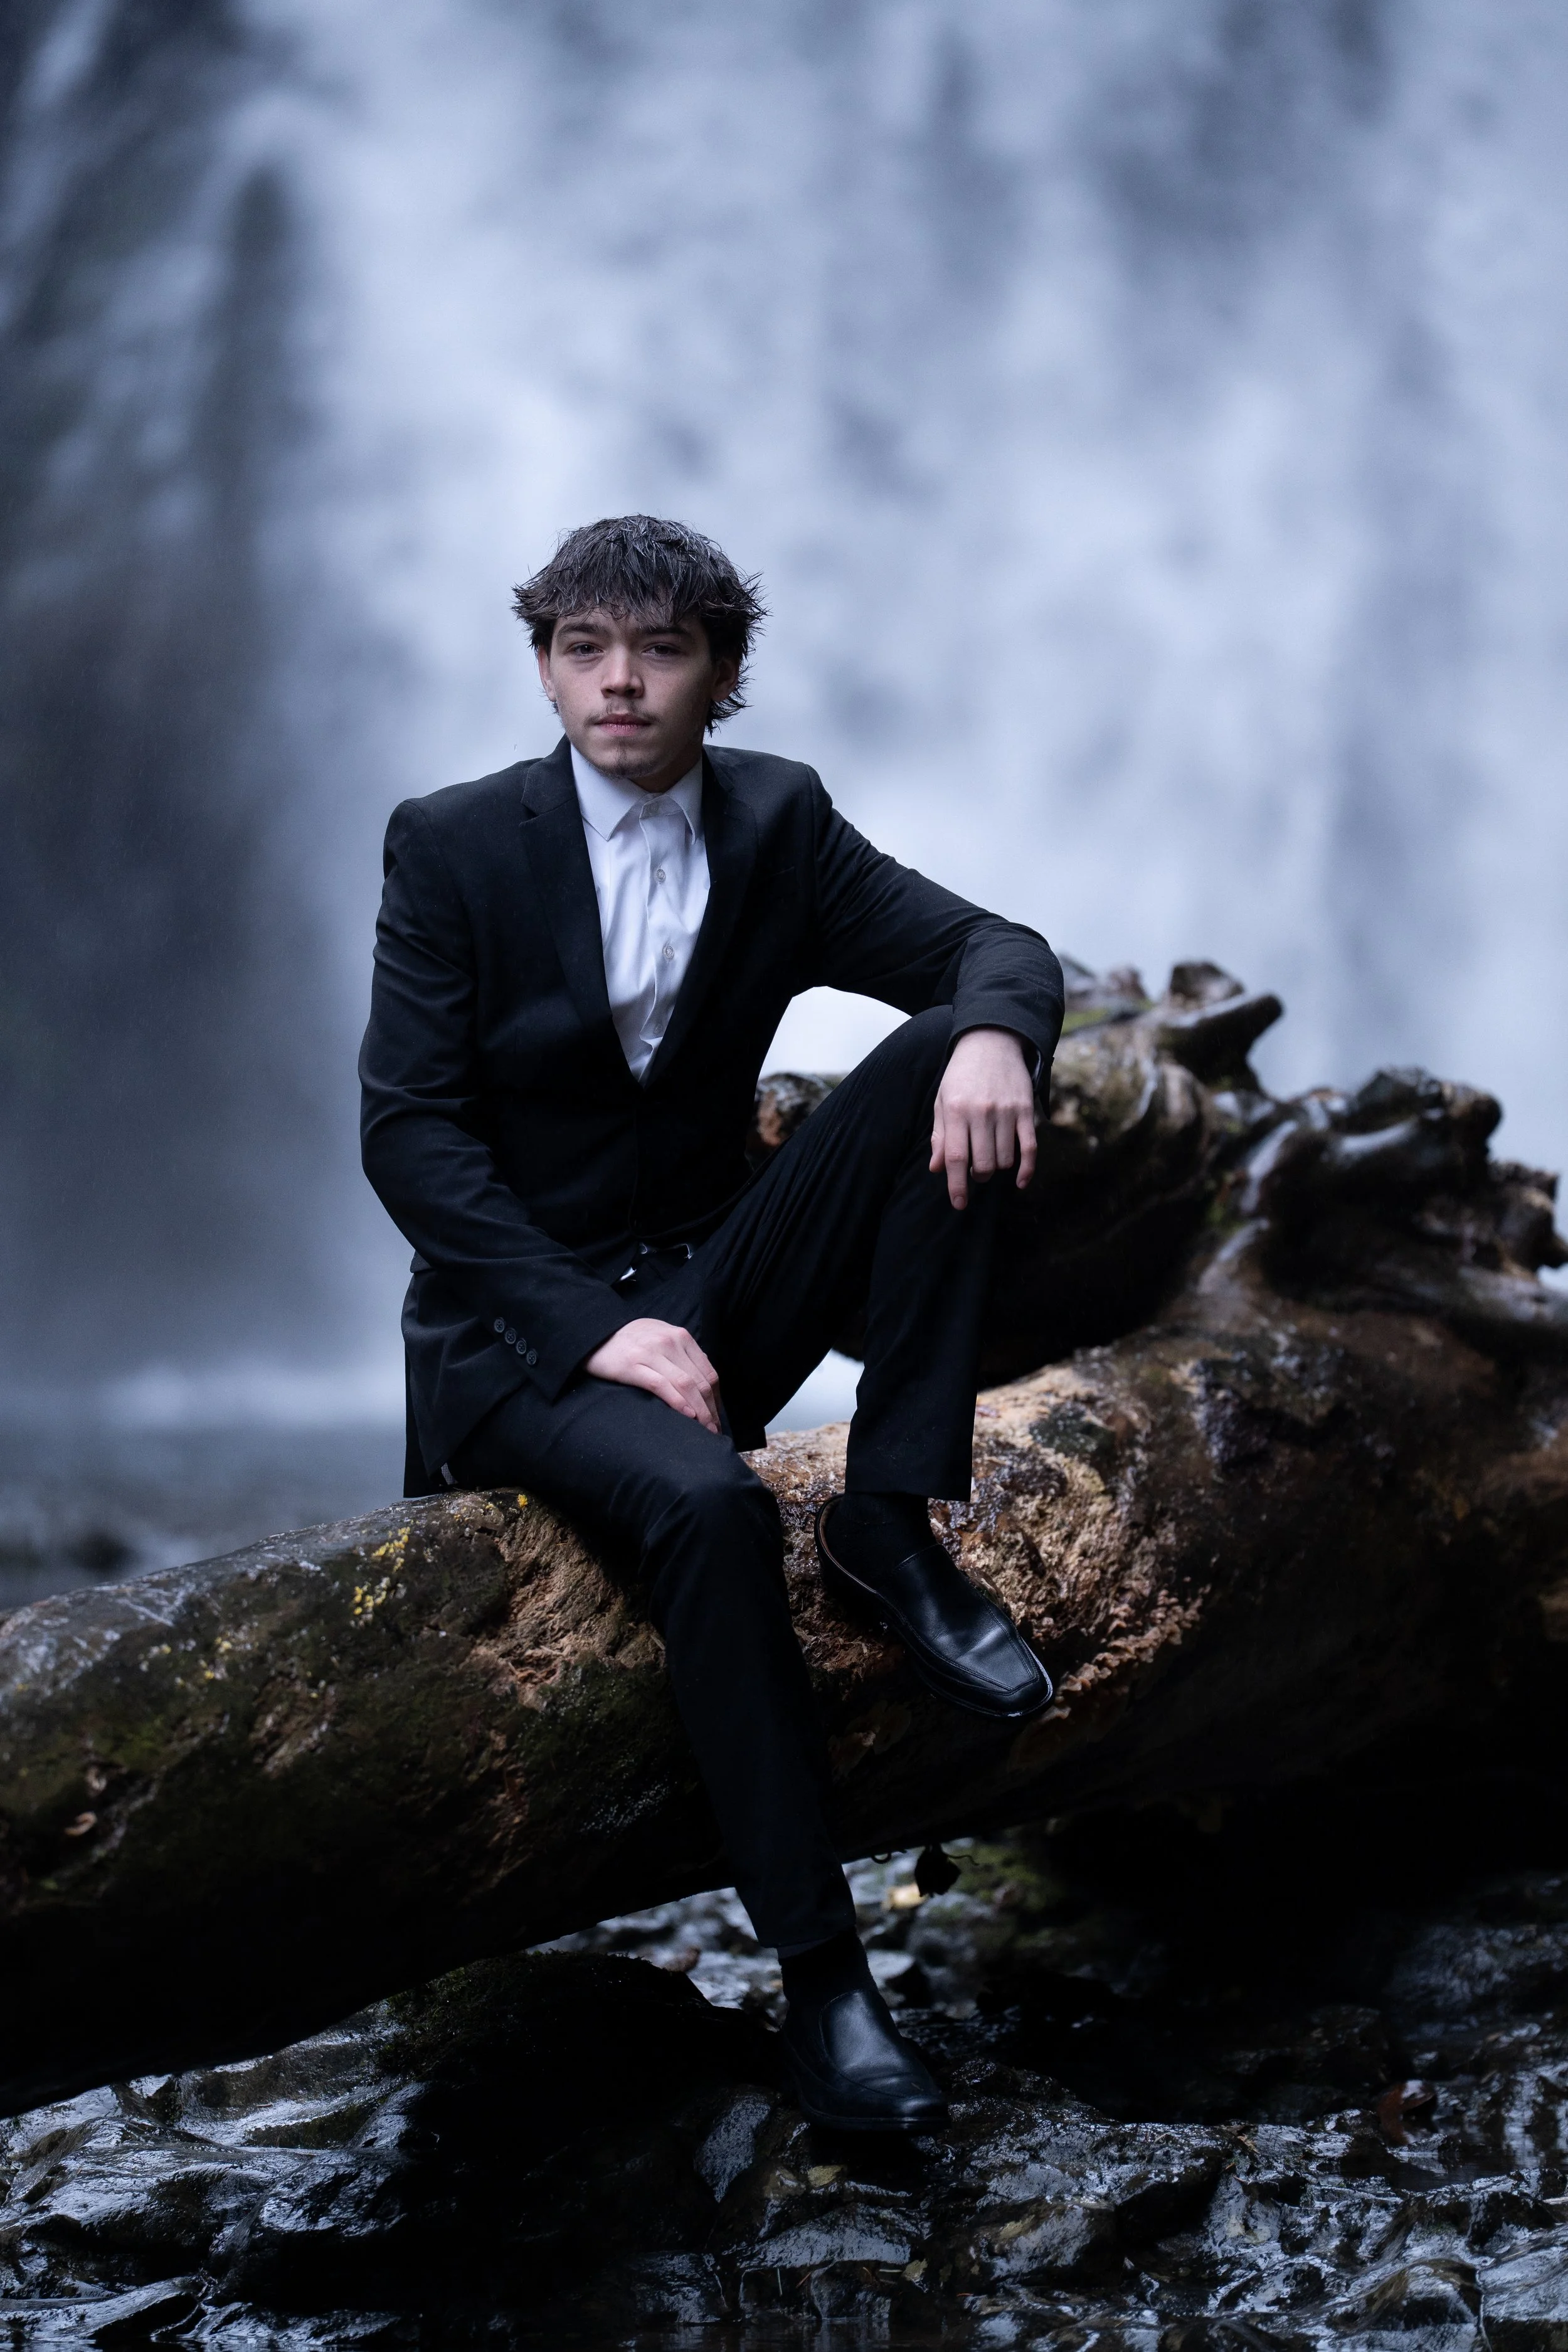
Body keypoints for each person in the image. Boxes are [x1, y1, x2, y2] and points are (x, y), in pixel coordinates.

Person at [359, 515, 1064, 2132]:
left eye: (660, 650)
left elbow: (996, 945)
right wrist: (588, 1333)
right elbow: (407, 1132)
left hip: (705, 1286)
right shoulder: (450, 844)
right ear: (543, 667)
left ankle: (889, 1516)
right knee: (710, 1506)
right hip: (510, 1334)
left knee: (952, 1053)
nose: (621, 684)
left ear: (721, 675)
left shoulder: (779, 822)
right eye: (585, 650)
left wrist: (995, 1035)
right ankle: (826, 1989)